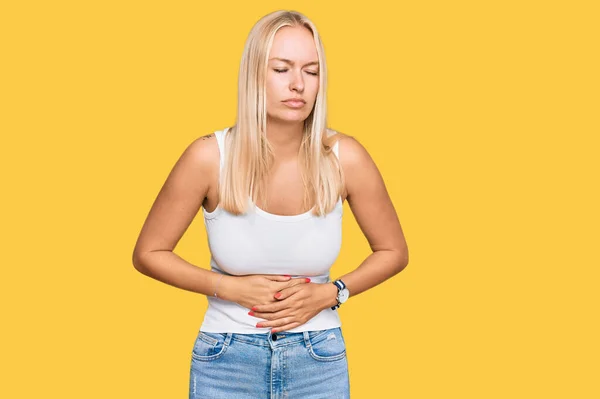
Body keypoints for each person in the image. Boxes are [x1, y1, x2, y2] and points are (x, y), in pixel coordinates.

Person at [132, 9, 408, 399]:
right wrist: (228, 288)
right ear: (254, 75)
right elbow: (149, 252)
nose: (298, 85)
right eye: (282, 69)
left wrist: (334, 292)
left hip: (319, 359)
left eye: (311, 72)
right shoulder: (209, 157)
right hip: (225, 359)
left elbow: (394, 251)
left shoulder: (346, 157)